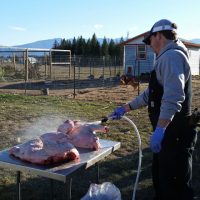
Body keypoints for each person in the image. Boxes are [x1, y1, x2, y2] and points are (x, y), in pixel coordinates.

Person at [109, 19, 198, 200]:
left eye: (150, 40)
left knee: (174, 186)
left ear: (159, 35)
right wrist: (125, 108)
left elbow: (173, 97)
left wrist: (161, 129)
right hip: (169, 134)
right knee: (161, 179)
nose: (149, 45)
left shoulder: (172, 56)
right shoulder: (166, 56)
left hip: (175, 133)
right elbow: (151, 94)